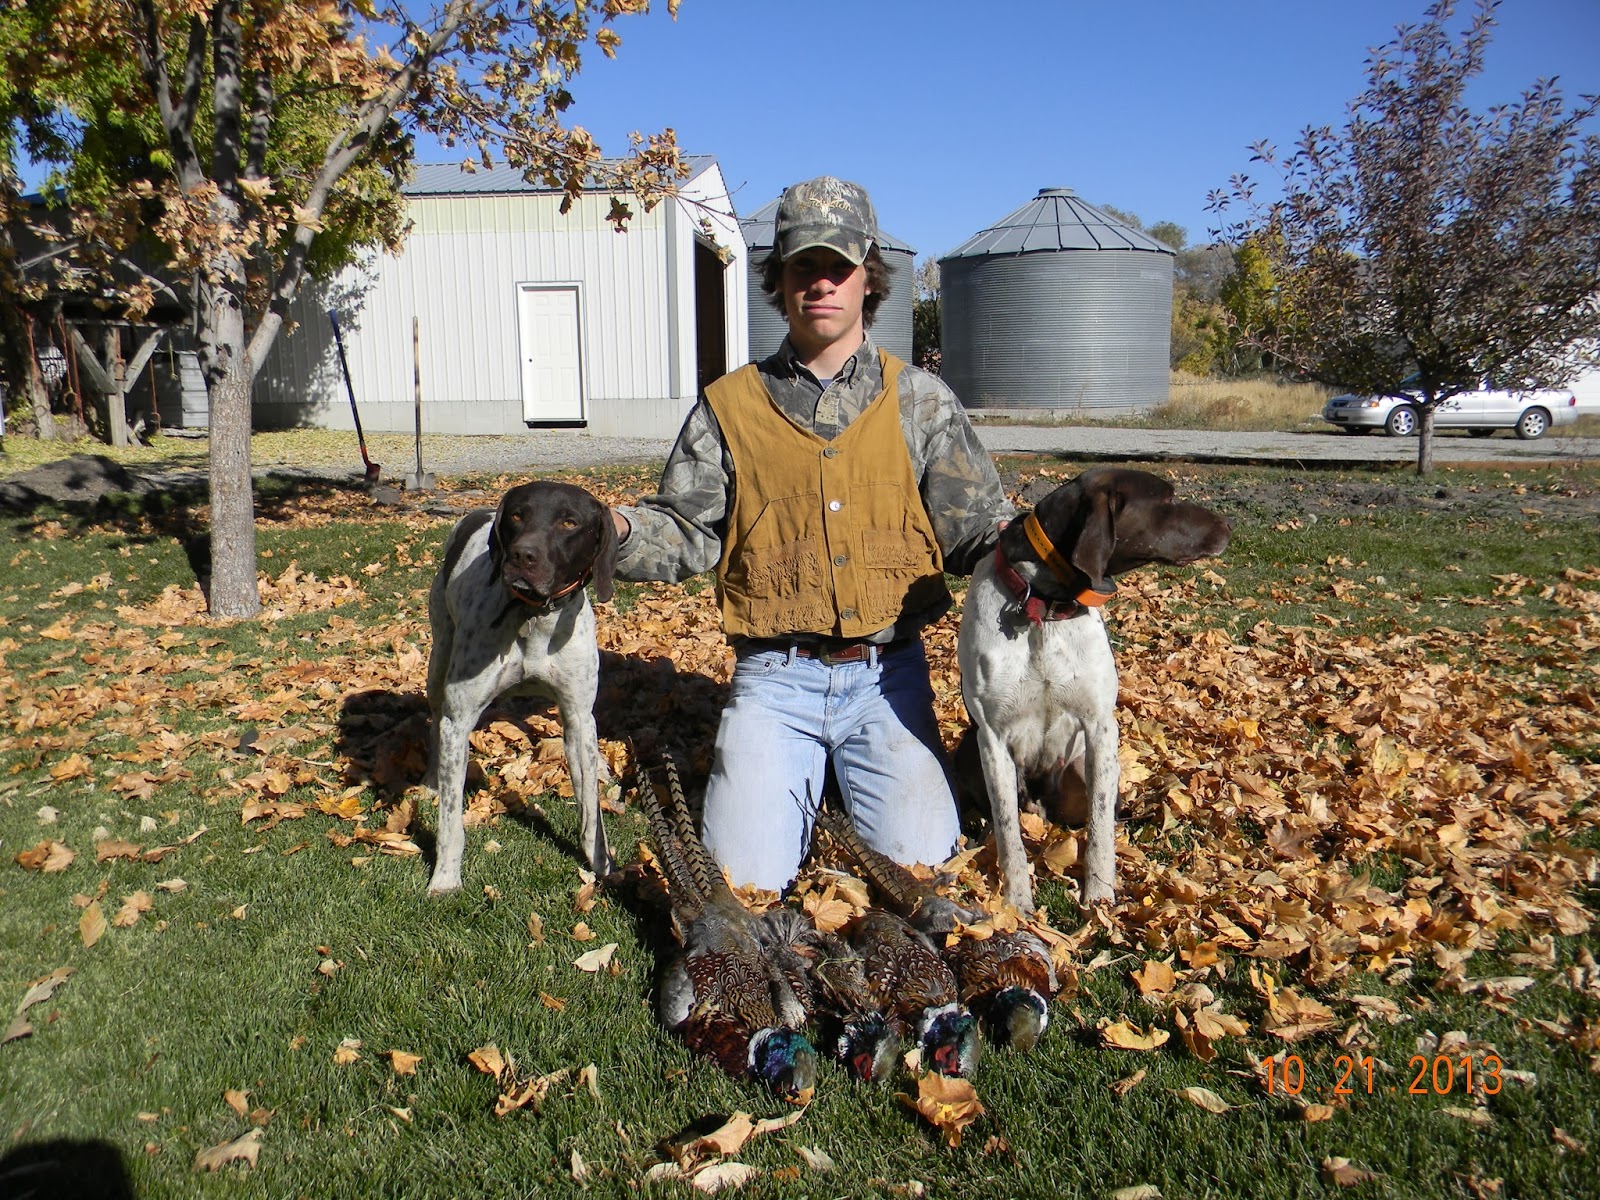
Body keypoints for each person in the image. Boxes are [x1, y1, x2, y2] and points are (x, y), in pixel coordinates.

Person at [611, 176, 1012, 892]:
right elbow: (685, 530)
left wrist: (1049, 547)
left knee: (923, 881)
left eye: (839, 268)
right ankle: (799, 779)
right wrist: (608, 532)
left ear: (869, 281)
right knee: (743, 888)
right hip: (773, 680)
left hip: (888, 678)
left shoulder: (920, 400)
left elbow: (975, 533)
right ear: (780, 281)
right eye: (804, 267)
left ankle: (853, 781)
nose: (821, 284)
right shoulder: (727, 406)